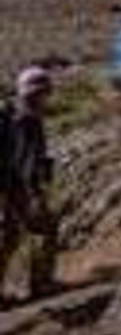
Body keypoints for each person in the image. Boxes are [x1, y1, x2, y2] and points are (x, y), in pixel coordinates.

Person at [0, 67, 61, 306]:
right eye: (44, 92)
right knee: (44, 227)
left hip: (8, 183)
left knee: (10, 235)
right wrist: (36, 193)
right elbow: (28, 162)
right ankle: (42, 284)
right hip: (11, 184)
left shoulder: (12, 112)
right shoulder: (28, 119)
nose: (46, 98)